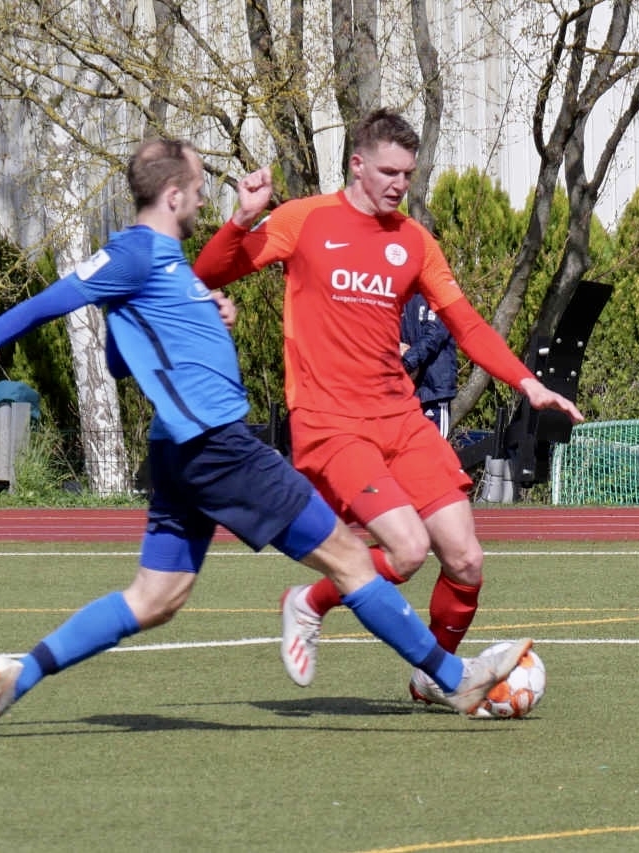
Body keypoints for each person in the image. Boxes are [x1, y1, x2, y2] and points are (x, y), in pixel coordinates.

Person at [0, 138, 533, 738]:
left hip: (177, 452)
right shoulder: (136, 253)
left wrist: (203, 315)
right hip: (218, 448)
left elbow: (122, 361)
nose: (206, 198)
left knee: (156, 598)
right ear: (174, 195)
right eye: (200, 187)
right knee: (347, 558)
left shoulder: (163, 262)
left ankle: (21, 673)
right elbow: (45, 303)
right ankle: (456, 680)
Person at [194, 108, 583, 703]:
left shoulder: (414, 241)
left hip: (400, 419)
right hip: (331, 424)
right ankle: (308, 603)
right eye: (388, 172)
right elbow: (209, 271)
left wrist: (526, 383)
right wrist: (242, 218)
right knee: (407, 550)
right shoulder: (304, 220)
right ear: (357, 164)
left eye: (408, 173)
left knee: (466, 560)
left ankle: (432, 678)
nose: (400, 184)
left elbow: (466, 324)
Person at [400, 292, 458, 439]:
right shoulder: (400, 295)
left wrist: (407, 361)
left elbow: (434, 335)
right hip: (407, 393)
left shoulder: (438, 294)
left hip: (434, 391)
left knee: (436, 448)